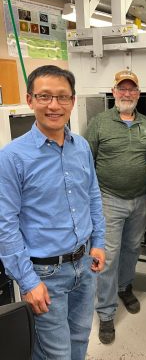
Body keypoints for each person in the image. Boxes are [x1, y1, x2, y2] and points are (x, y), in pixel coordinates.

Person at [0, 65, 106, 360]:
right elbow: (4, 226)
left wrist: (98, 242)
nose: (54, 105)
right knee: (56, 353)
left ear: (73, 101)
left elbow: (93, 197)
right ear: (30, 99)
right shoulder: (12, 158)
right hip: (44, 273)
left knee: (79, 341)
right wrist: (28, 281)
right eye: (45, 96)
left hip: (84, 265)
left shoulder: (81, 146)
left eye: (62, 97)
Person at [85, 70, 146, 344]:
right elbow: (85, 162)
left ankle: (125, 287)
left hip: (140, 200)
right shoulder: (99, 122)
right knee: (107, 256)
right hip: (108, 199)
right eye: (122, 89)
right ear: (114, 92)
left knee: (133, 248)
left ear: (138, 93)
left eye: (132, 89)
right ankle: (105, 312)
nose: (127, 93)